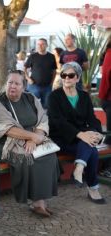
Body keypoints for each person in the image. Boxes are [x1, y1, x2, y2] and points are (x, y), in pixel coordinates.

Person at [0, 70, 59, 217]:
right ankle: (37, 203)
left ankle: (39, 202)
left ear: (24, 86)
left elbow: (42, 120)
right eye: (10, 82)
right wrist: (32, 137)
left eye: (17, 83)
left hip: (31, 139)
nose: (12, 86)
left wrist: (35, 137)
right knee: (29, 157)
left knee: (49, 156)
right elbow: (8, 129)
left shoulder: (30, 98)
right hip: (6, 142)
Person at [48, 62, 106, 204]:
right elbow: (57, 122)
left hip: (81, 139)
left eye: (71, 75)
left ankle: (79, 168)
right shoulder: (54, 96)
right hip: (61, 138)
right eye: (64, 75)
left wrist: (96, 133)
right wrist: (81, 134)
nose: (67, 78)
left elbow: (92, 119)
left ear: (77, 78)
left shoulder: (84, 96)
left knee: (90, 145)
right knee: (92, 149)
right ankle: (93, 188)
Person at [24, 38, 57, 108]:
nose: (40, 46)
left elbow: (54, 71)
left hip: (47, 86)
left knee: (46, 106)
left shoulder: (51, 56)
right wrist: (28, 78)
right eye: (38, 44)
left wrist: (52, 82)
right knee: (31, 105)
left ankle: (43, 119)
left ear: (46, 45)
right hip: (34, 86)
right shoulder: (32, 56)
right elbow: (25, 68)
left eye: (42, 44)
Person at [98, 36, 111, 178]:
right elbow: (107, 77)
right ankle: (106, 167)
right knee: (110, 134)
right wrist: (105, 97)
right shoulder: (109, 54)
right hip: (109, 99)